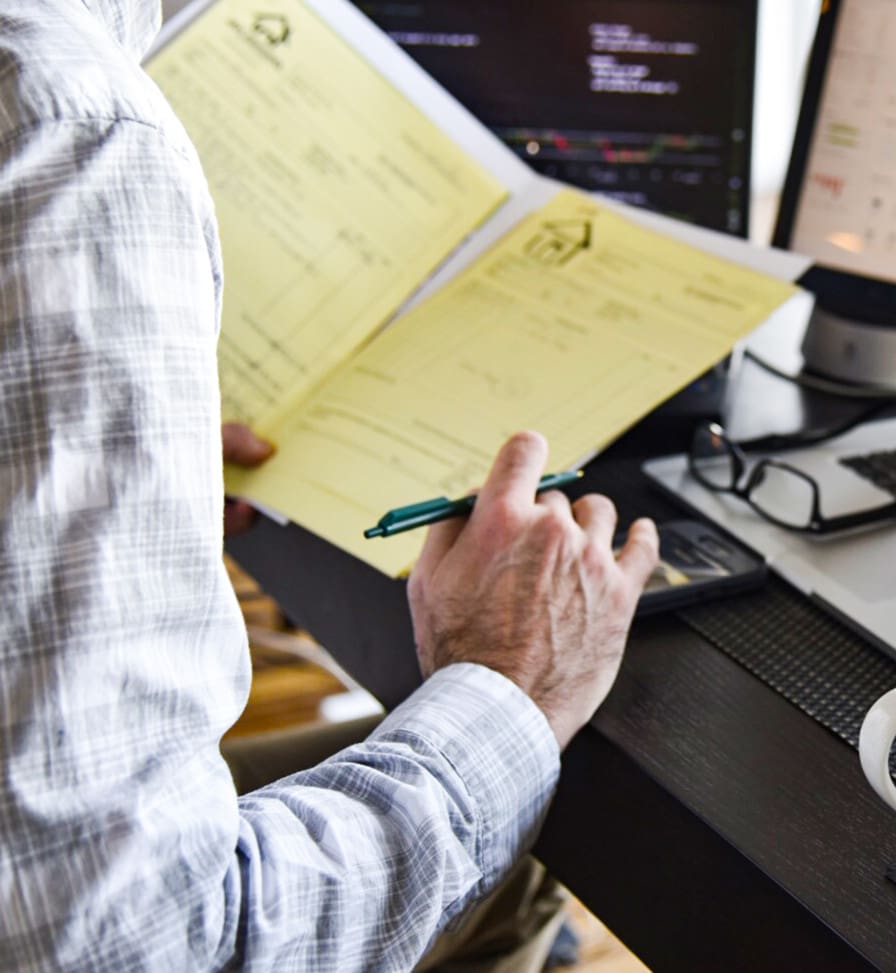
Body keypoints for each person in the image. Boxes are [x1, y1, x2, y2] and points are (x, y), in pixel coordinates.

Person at [0, 1, 659, 969]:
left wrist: (120, 459)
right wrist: (505, 685)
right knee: (517, 817)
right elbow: (133, 949)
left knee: (512, 865)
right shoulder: (73, 127)